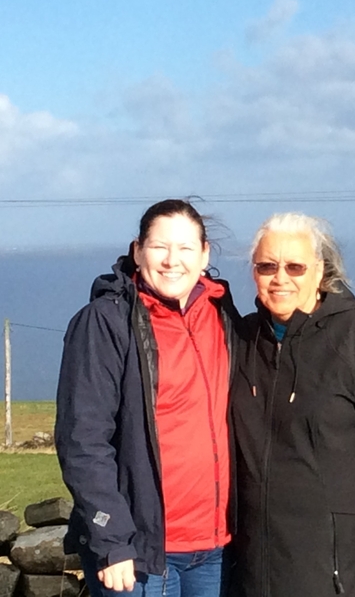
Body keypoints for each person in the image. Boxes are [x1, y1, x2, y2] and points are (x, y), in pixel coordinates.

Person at [229, 213, 355, 597]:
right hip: (261, 568)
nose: (280, 278)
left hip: (345, 568)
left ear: (321, 270)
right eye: (266, 266)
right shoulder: (241, 340)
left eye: (295, 266)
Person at [55, 199, 240, 597]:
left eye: (186, 248)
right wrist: (112, 540)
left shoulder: (221, 312)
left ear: (204, 254)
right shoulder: (105, 322)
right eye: (160, 247)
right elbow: (82, 441)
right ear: (137, 251)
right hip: (140, 552)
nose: (173, 260)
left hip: (215, 548)